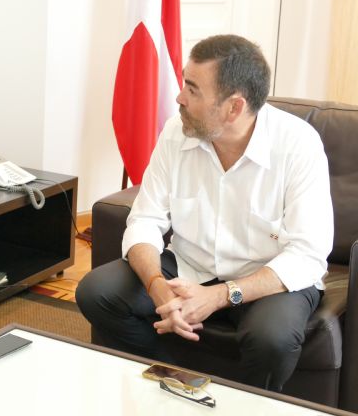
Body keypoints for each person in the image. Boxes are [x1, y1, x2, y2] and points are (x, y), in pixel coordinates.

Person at [76, 34, 333, 392]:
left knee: (272, 340)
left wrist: (219, 296)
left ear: (233, 107)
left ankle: (241, 404)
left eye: (193, 90)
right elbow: (145, 219)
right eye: (184, 82)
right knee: (96, 292)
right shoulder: (175, 133)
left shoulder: (297, 146)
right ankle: (176, 382)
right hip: (189, 266)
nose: (179, 97)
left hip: (268, 280)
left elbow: (307, 255)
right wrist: (157, 288)